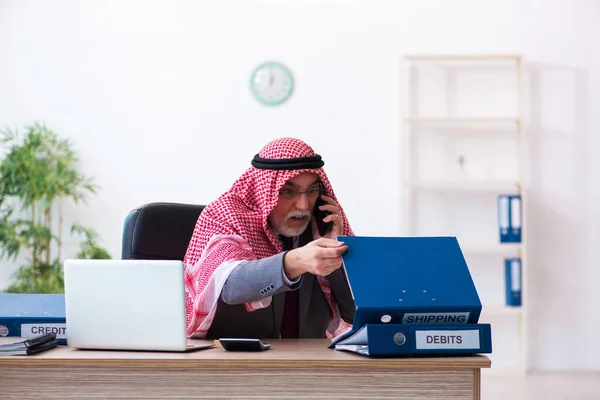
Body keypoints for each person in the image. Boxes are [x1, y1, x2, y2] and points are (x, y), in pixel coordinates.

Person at [183, 137, 355, 340]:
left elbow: (356, 314)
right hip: (235, 363)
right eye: (288, 191)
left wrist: (335, 256)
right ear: (263, 191)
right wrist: (295, 262)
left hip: (308, 364)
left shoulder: (319, 225)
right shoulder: (224, 215)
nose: (303, 205)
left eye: (311, 191)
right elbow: (230, 287)